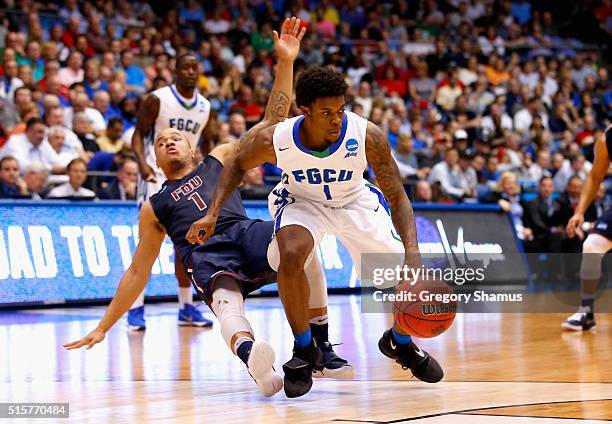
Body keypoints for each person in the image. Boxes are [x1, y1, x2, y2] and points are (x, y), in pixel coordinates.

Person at [64, 19, 351, 396]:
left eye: (176, 137)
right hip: (206, 256)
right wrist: (104, 326)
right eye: (161, 140)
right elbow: (138, 271)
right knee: (227, 307)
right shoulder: (154, 205)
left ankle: (319, 345)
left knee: (300, 242)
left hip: (243, 233)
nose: (168, 141)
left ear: (193, 148)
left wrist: (285, 63)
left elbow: (271, 122)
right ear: (154, 156)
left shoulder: (219, 159)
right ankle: (255, 361)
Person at [191, 65, 444, 398]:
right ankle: (304, 349)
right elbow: (237, 164)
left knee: (405, 276)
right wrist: (212, 213)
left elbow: (397, 195)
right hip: (302, 201)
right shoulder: (277, 139)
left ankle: (399, 342)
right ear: (304, 110)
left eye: (340, 110)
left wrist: (413, 252)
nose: (337, 119)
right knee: (290, 253)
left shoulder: (367, 136)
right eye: (327, 113)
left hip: (354, 200)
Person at [129, 50, 214, 330]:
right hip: (155, 175)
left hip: (188, 182)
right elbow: (138, 135)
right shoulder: (158, 99)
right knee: (146, 246)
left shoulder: (205, 106)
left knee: (186, 246)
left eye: (195, 68)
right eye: (185, 67)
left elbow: (207, 144)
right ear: (176, 70)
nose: (191, 72)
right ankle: (135, 308)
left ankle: (186, 307)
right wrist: (141, 163)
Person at [563, 127, 612, 331]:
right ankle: (586, 312)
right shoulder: (608, 138)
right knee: (592, 245)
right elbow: (594, 176)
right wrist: (579, 211)